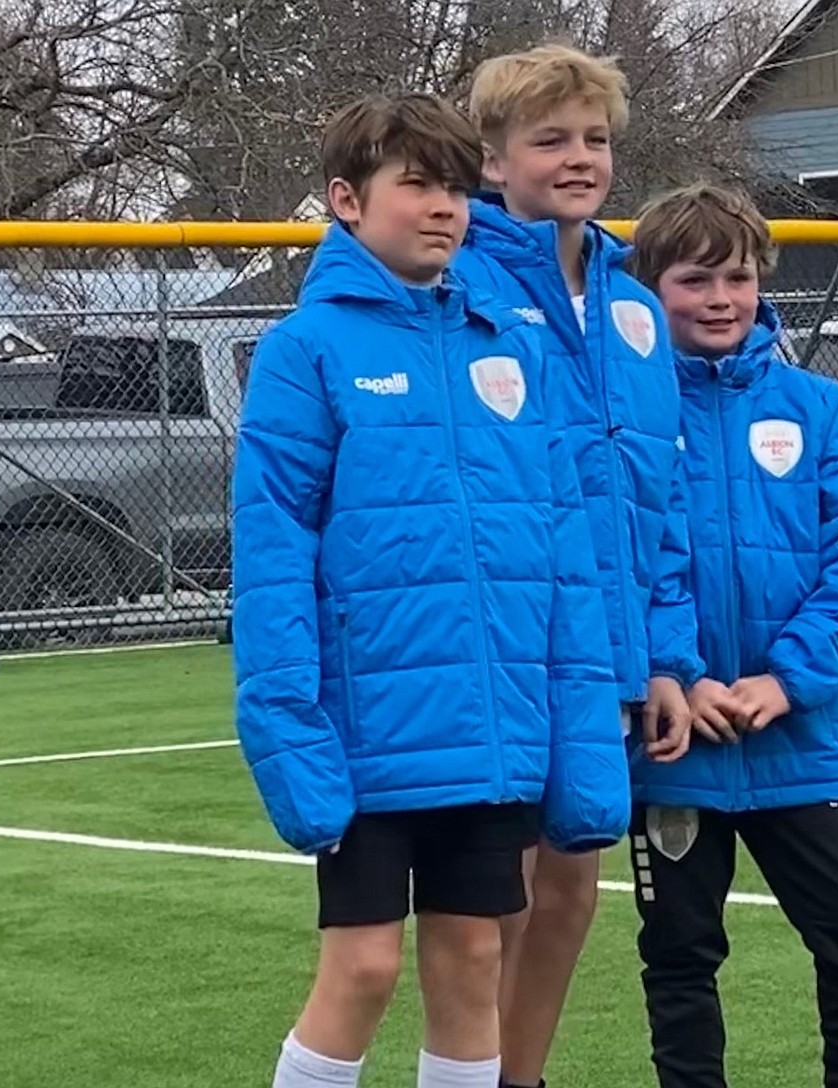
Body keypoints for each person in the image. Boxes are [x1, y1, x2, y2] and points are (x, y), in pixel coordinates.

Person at [230, 91, 627, 1088]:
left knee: (475, 956)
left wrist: (577, 735)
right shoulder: (303, 351)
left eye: (455, 184)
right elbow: (272, 560)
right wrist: (292, 733)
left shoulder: (513, 344)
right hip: (367, 735)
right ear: (345, 201)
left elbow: (565, 557)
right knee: (362, 964)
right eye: (416, 183)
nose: (443, 204)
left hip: (490, 729)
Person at [451, 43, 706, 1088]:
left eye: (594, 138)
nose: (577, 157)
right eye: (549, 138)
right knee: (491, 892)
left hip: (610, 647)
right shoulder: (453, 282)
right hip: (504, 644)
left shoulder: (638, 307)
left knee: (571, 886)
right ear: (494, 157)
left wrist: (666, 655)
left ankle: (523, 1074)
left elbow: (664, 500)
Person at [625, 182, 838, 1088]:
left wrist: (790, 679)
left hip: (804, 735)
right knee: (680, 953)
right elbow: (628, 561)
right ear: (650, 287)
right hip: (677, 739)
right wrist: (678, 671)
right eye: (696, 279)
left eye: (737, 278)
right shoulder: (625, 413)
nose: (720, 299)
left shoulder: (816, 406)